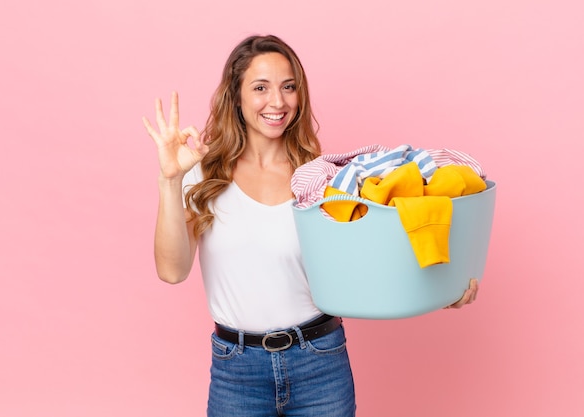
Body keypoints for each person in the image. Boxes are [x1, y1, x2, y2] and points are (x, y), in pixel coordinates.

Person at [142, 34, 479, 417]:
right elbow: (171, 270)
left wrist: (442, 289)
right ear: (235, 97)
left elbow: (368, 264)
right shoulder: (202, 173)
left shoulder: (320, 178)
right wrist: (170, 180)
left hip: (319, 362)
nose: (278, 101)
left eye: (289, 87)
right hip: (236, 370)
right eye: (260, 88)